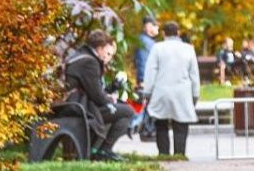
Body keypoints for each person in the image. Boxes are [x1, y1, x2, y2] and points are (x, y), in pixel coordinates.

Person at [64, 30, 135, 161]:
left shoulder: (80, 55)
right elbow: (98, 97)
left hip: (72, 104)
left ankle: (98, 150)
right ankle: (103, 151)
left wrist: (110, 91)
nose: (108, 58)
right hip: (79, 108)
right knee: (128, 111)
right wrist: (110, 99)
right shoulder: (90, 62)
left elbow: (92, 89)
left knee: (120, 107)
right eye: (108, 53)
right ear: (100, 48)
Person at [143, 21, 201, 157]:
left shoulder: (157, 48)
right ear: (178, 33)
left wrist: (148, 92)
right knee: (181, 124)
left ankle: (163, 154)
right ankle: (179, 154)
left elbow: (151, 71)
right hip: (182, 92)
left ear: (163, 33)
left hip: (161, 91)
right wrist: (195, 94)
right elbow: (194, 74)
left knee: (161, 123)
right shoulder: (188, 49)